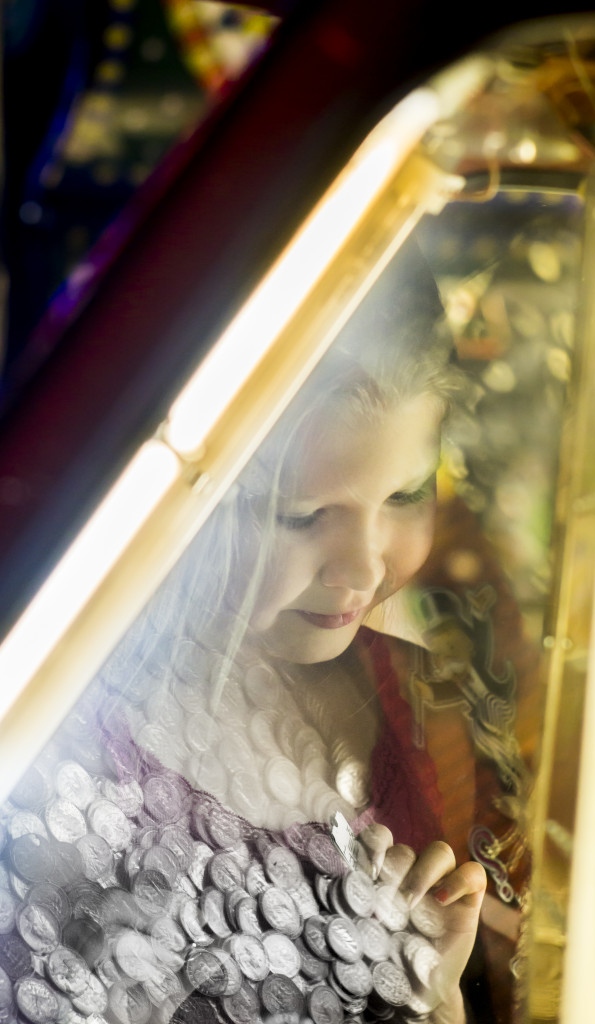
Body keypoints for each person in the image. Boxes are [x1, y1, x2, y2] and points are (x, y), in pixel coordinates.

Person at [0, 239, 490, 1024]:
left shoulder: (434, 710)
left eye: (406, 495)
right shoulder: (45, 736)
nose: (359, 571)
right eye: (298, 516)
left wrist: (437, 1003)